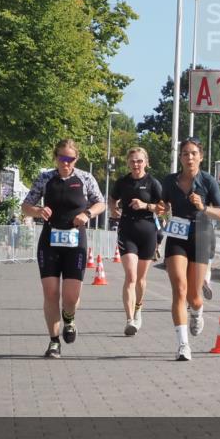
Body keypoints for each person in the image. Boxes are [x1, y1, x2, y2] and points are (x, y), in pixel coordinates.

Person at [21, 139, 105, 358]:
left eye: (70, 159)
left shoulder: (85, 178)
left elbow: (101, 203)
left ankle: (69, 318)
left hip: (75, 242)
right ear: (55, 157)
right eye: (62, 158)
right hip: (50, 240)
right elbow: (26, 206)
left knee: (70, 296)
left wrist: (87, 214)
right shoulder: (45, 178)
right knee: (51, 293)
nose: (66, 163)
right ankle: (53, 341)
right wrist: (38, 211)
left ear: (76, 159)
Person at [155, 137, 220, 361]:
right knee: (179, 288)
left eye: (194, 153)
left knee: (194, 296)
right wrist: (161, 209)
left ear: (201, 157)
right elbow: (163, 207)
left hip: (201, 235)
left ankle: (197, 310)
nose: (189, 157)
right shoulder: (169, 180)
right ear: (180, 157)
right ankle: (183, 345)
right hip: (177, 234)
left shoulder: (208, 181)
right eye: (185, 153)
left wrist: (203, 207)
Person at [109, 147, 162, 336]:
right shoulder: (122, 182)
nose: (136, 164)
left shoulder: (153, 183)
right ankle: (130, 319)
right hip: (127, 231)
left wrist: (146, 205)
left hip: (148, 232)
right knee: (130, 277)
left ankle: (139, 307)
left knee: (140, 279)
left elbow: (164, 208)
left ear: (146, 162)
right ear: (128, 163)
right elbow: (112, 198)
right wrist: (113, 209)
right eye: (133, 161)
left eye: (139, 161)